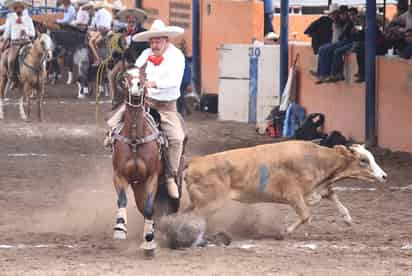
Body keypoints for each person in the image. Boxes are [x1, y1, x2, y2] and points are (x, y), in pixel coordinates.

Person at [106, 19, 185, 199]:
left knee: (177, 138)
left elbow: (174, 82)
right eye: (151, 41)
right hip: (144, 102)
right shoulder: (145, 54)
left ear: (167, 40)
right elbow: (135, 70)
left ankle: (171, 175)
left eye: (157, 41)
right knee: (113, 123)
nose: (154, 45)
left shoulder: (177, 57)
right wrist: (130, 77)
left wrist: (151, 83)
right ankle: (114, 145)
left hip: (166, 107)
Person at [108, 8, 148, 108]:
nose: (131, 23)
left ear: (136, 22)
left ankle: (126, 97)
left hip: (136, 60)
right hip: (124, 59)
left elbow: (144, 50)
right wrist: (113, 56)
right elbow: (117, 46)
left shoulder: (142, 33)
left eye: (133, 21)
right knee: (111, 75)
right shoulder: (122, 32)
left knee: (119, 77)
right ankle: (115, 98)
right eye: (129, 21)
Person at [1, 0, 35, 87]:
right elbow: (7, 32)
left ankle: (38, 76)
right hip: (15, 44)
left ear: (23, 8)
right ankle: (13, 78)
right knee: (11, 60)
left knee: (36, 56)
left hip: (26, 42)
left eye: (20, 7)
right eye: (16, 8)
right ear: (14, 9)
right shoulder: (10, 18)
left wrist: (26, 33)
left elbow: (33, 33)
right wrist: (4, 40)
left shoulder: (28, 19)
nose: (18, 9)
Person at [88, 0, 112, 65]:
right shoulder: (108, 12)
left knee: (91, 42)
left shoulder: (98, 12)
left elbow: (95, 26)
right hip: (109, 30)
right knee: (94, 39)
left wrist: (90, 29)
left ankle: (98, 59)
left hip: (102, 31)